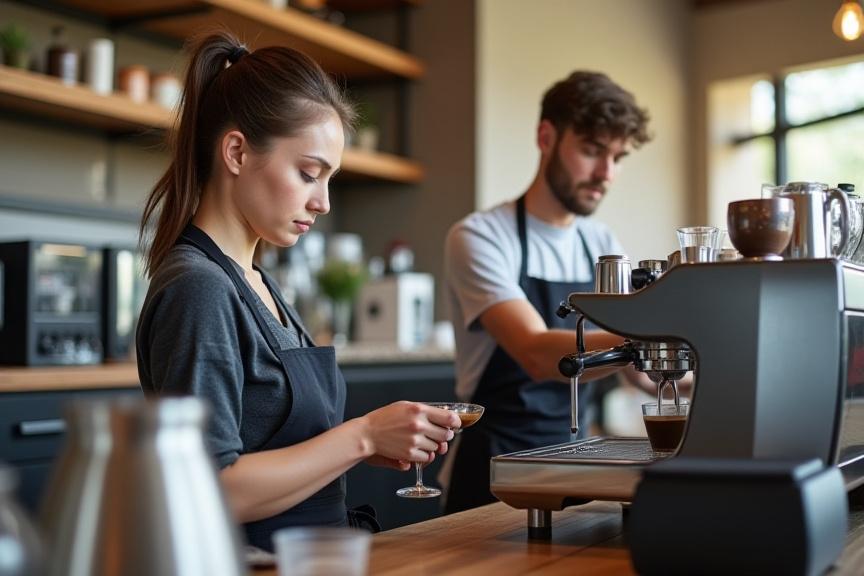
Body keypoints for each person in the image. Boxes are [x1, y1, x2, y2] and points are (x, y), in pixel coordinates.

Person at [135, 31, 461, 552]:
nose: (324, 202)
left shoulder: (257, 281)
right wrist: (363, 436)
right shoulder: (199, 289)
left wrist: (359, 449)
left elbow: (273, 441)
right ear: (237, 152)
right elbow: (207, 489)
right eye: (309, 173)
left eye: (329, 178)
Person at [443, 71, 652, 514]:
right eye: (593, 151)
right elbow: (537, 353)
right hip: (494, 472)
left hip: (578, 464)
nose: (606, 173)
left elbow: (640, 374)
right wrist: (653, 334)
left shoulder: (601, 244)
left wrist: (707, 359)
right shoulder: (480, 236)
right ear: (546, 137)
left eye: (618, 157)